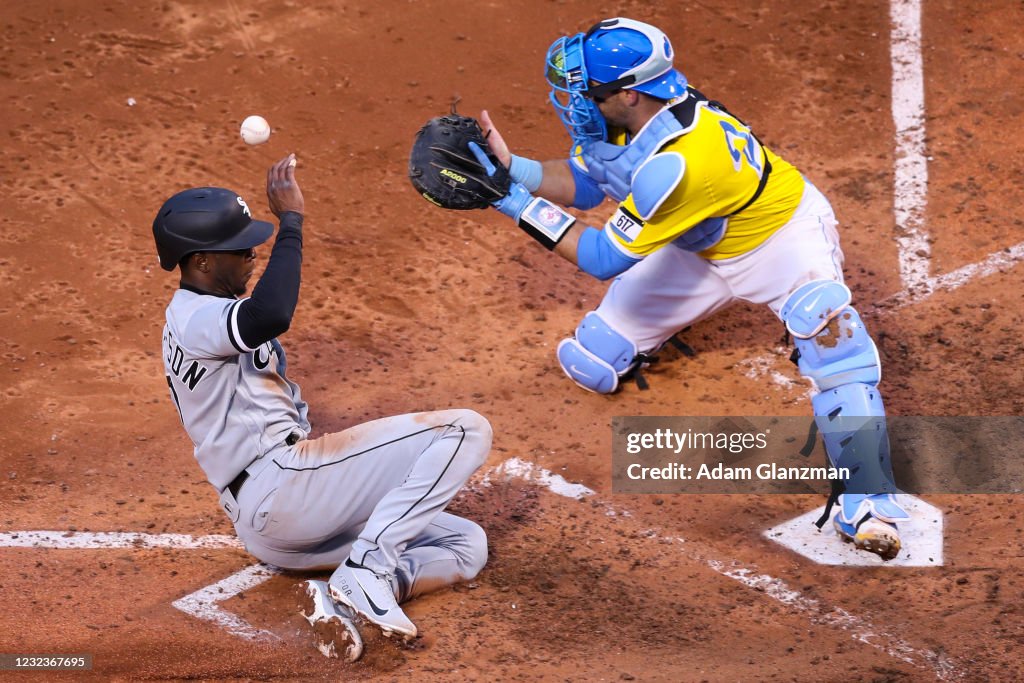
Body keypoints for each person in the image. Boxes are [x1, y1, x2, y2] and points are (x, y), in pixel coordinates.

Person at [471, 17, 908, 560]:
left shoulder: (681, 162)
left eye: (584, 92)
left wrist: (512, 204)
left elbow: (603, 258)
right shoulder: (650, 114)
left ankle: (867, 499)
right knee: (594, 361)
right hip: (700, 250)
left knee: (831, 335)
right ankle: (665, 326)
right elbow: (591, 180)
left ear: (626, 92)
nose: (574, 103)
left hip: (781, 240)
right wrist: (515, 170)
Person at [152, 154, 491, 661]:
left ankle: (346, 601)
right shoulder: (195, 317)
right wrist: (291, 222)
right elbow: (273, 312)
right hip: (280, 490)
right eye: (240, 249)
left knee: (467, 543)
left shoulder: (207, 314)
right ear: (200, 261)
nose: (252, 256)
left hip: (281, 525)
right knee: (464, 430)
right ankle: (367, 572)